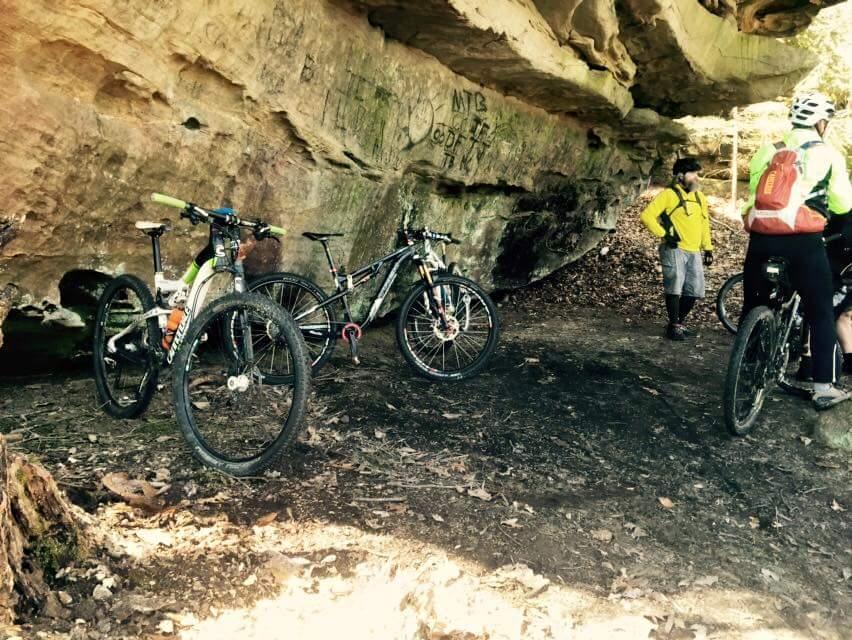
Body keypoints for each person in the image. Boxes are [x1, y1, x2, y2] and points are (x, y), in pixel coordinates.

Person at [741, 92, 852, 410]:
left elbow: (754, 195)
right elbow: (843, 203)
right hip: (803, 241)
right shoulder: (828, 154)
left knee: (754, 304)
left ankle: (748, 370)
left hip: (761, 240)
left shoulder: (769, 149)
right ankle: (823, 386)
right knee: (820, 312)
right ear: (821, 122)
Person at [640, 158, 713, 340]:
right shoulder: (668, 195)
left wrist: (708, 248)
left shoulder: (699, 197)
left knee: (694, 290)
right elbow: (647, 216)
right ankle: (674, 325)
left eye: (698, 174)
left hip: (694, 251)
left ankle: (678, 322)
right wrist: (664, 234)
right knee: (674, 287)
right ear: (680, 175)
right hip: (674, 249)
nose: (697, 178)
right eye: (693, 174)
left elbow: (704, 223)